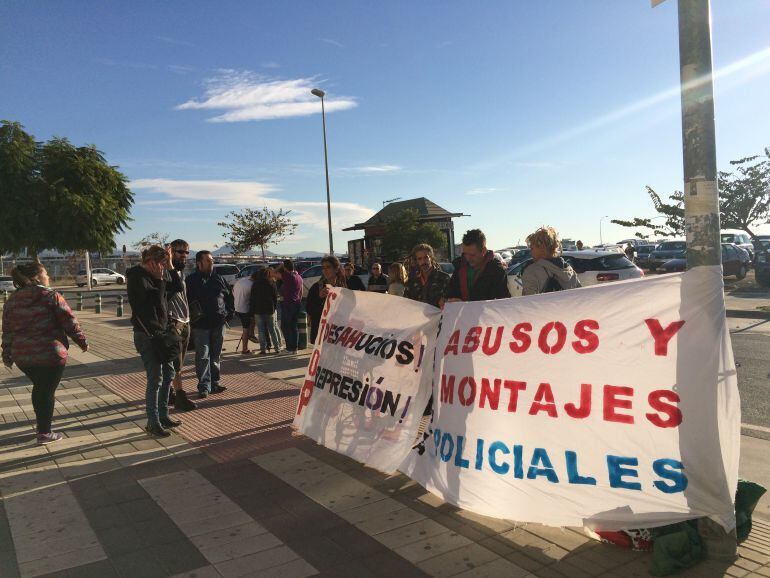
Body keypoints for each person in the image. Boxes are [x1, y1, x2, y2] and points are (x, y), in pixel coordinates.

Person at [1, 263, 88, 444]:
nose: (48, 277)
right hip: (50, 354)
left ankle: (43, 429)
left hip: (23, 356)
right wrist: (82, 342)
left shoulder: (12, 300)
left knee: (40, 388)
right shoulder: (52, 296)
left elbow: (7, 331)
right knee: (46, 391)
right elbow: (70, 323)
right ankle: (45, 433)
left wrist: (7, 355)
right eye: (46, 273)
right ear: (37, 277)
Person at [127, 245, 184, 437]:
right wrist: (160, 280)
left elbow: (177, 288)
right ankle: (153, 422)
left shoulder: (159, 273)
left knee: (169, 373)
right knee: (155, 379)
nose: (162, 267)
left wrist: (170, 267)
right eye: (161, 263)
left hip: (161, 335)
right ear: (151, 262)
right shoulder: (137, 276)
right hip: (147, 336)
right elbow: (154, 300)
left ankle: (164, 415)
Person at [186, 250, 234, 399]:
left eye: (212, 260)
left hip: (219, 324)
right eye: (208, 260)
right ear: (199, 263)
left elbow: (229, 298)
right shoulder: (191, 280)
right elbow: (185, 302)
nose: (211, 262)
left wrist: (228, 315)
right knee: (203, 356)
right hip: (200, 325)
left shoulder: (219, 279)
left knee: (215, 355)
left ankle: (214, 383)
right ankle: (204, 386)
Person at [166, 239, 196, 411]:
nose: (184, 255)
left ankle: (170, 392)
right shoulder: (165, 271)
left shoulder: (181, 272)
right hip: (174, 321)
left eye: (186, 252)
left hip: (185, 321)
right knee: (175, 363)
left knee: (178, 363)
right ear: (171, 252)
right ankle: (179, 396)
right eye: (180, 252)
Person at [447, 229, 510, 302]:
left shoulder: (496, 270)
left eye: (472, 255)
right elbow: (451, 293)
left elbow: (501, 301)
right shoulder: (459, 267)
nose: (468, 258)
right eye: (465, 254)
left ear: (483, 251)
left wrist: (466, 305)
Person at [521, 226, 581, 296]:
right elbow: (580, 298)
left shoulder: (531, 272)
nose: (531, 252)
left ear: (542, 248)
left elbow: (528, 304)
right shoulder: (570, 271)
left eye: (532, 248)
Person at [306, 255, 346, 343]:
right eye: (323, 268)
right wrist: (319, 298)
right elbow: (309, 309)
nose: (325, 270)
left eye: (328, 267)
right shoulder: (316, 287)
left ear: (336, 269)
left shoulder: (342, 288)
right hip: (321, 333)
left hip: (337, 333)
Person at [404, 243, 451, 308]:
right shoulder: (412, 282)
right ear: (417, 261)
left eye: (426, 257)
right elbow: (406, 304)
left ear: (431, 258)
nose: (423, 262)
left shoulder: (444, 278)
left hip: (438, 317)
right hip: (417, 317)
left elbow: (452, 302)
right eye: (419, 259)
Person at [250, 268, 282, 355]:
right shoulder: (271, 283)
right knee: (272, 330)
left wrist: (252, 311)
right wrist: (274, 307)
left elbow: (252, 299)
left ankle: (263, 349)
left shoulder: (255, 284)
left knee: (261, 331)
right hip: (269, 309)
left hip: (258, 310)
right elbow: (275, 298)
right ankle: (277, 348)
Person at [277, 260, 303, 353]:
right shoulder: (298, 276)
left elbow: (275, 274)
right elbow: (301, 291)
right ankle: (294, 348)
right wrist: (298, 300)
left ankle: (289, 348)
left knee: (285, 326)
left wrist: (280, 267)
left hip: (288, 304)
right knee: (293, 326)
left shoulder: (287, 276)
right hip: (296, 303)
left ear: (285, 267)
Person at [232, 271, 256, 354]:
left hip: (237, 308)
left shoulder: (242, 280)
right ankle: (244, 349)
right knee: (245, 329)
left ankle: (251, 334)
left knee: (249, 324)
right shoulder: (251, 285)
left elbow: (233, 292)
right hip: (244, 309)